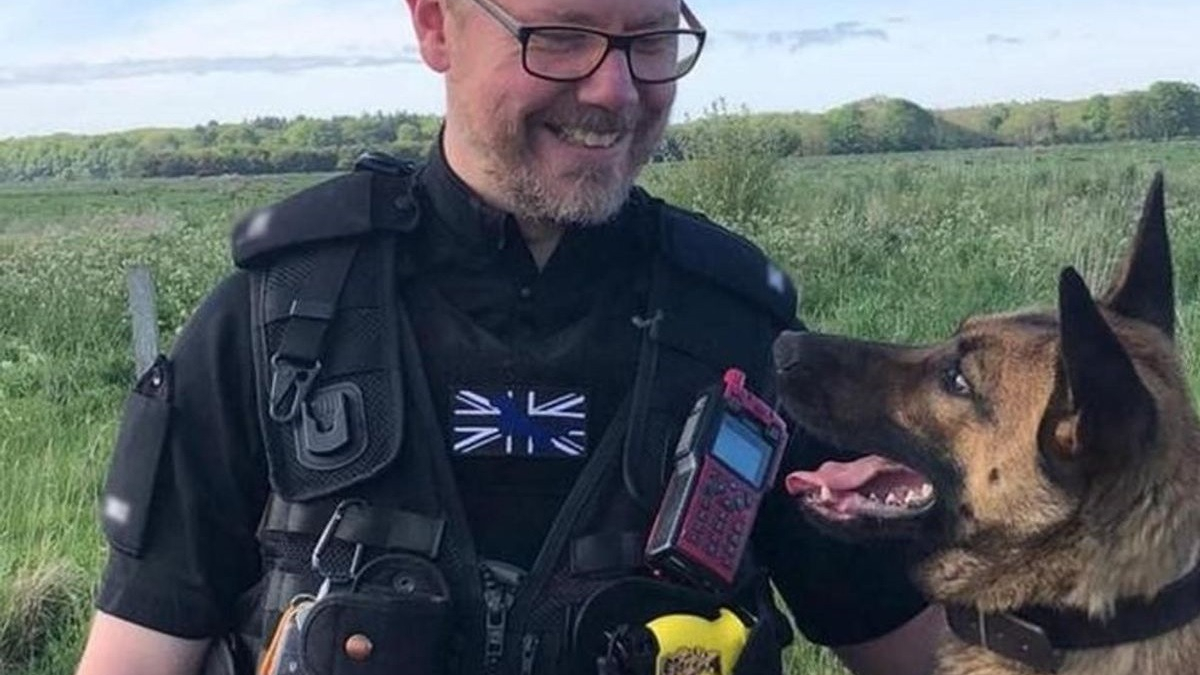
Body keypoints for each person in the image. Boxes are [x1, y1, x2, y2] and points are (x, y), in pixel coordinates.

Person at [75, 0, 946, 674]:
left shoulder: (739, 332)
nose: (614, 93)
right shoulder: (277, 324)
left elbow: (923, 653)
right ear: (434, 25)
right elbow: (136, 650)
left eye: (649, 38)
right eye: (561, 35)